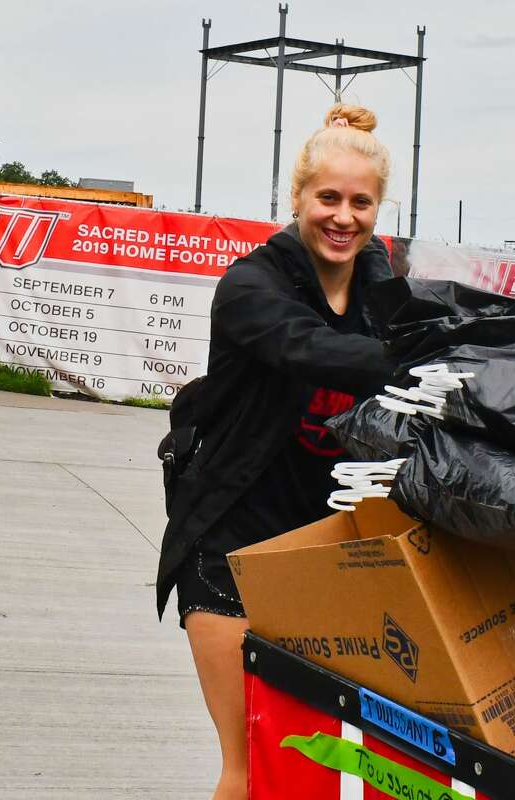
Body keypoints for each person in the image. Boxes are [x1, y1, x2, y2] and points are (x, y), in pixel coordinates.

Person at [156, 103, 398, 800]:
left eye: (361, 202)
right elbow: (310, 349)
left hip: (330, 555)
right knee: (252, 762)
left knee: (322, 764)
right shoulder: (249, 288)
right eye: (328, 198)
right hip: (232, 548)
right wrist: (418, 357)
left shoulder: (381, 289)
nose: (343, 217)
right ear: (296, 199)